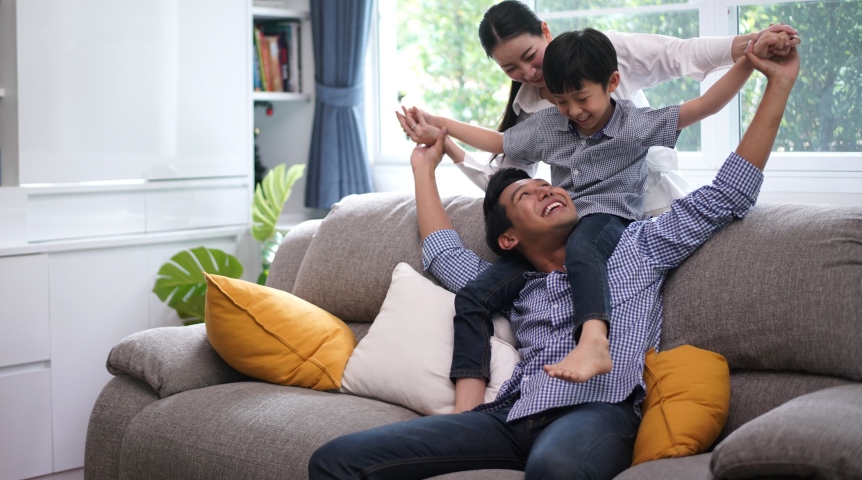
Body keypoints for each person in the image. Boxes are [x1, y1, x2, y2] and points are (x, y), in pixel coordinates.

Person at [309, 39, 800, 480]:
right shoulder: (511, 282)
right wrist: (425, 166)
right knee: (335, 460)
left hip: (598, 410)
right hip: (508, 417)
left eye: (546, 182)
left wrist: (778, 83)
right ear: (509, 239)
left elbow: (729, 192)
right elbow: (442, 251)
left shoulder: (637, 248)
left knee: (555, 468)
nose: (547, 187)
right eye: (526, 193)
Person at [399, 27, 788, 392]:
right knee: (475, 293)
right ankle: (467, 400)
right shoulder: (549, 125)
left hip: (606, 218)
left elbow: (706, 104)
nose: (573, 110)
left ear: (612, 83)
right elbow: (500, 142)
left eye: (582, 99)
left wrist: (749, 60)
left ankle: (593, 339)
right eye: (561, 100)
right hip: (562, 228)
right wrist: (441, 127)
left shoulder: (636, 125)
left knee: (583, 248)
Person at [401, 0, 799, 215]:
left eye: (530, 55)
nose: (528, 71)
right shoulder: (539, 122)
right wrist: (444, 137)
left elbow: (682, 59)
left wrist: (751, 47)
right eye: (511, 68)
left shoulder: (600, 56)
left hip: (648, 203)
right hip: (582, 219)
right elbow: (506, 183)